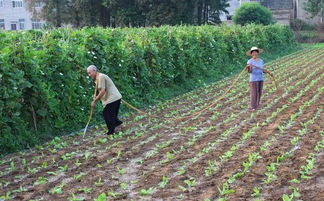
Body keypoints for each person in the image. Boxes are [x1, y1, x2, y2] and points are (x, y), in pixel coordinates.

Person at [87, 65, 123, 135]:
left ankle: (111, 132)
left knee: (106, 113)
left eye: (89, 73)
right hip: (114, 98)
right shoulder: (98, 79)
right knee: (111, 115)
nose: (89, 75)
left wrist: (95, 101)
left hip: (113, 98)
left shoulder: (101, 77)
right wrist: (95, 97)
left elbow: (102, 91)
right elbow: (100, 90)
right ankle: (120, 126)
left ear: (94, 71)